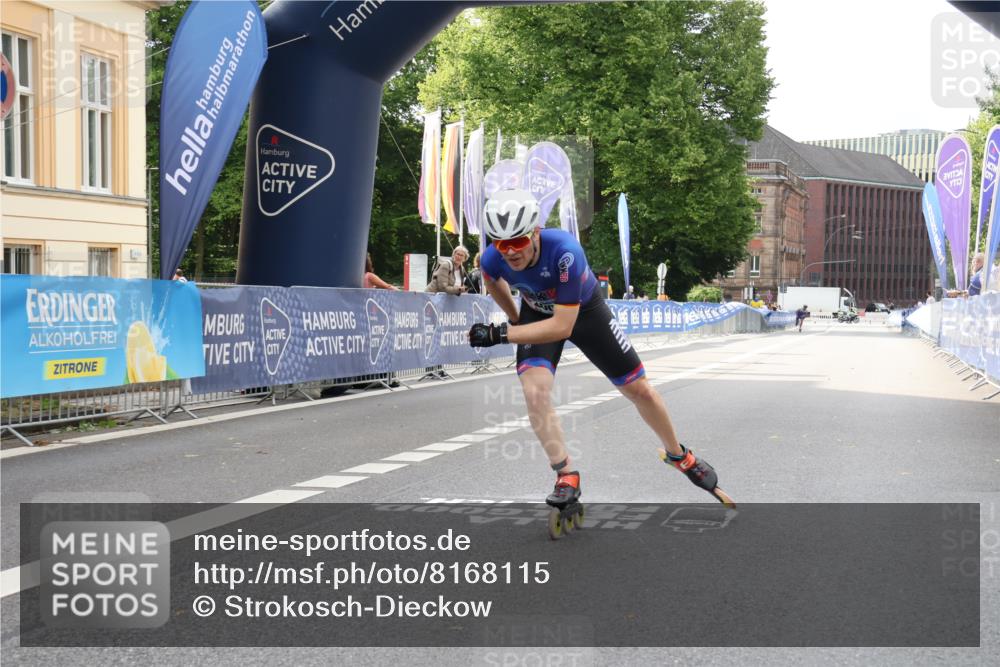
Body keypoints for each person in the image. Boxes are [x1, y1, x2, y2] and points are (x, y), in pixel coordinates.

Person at [467, 189, 734, 510]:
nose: (510, 252)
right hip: (537, 313)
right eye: (500, 243)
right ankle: (566, 475)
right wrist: (515, 318)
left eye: (518, 242)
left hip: (584, 313)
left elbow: (562, 327)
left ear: (535, 232)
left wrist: (502, 333)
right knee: (534, 392)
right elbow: (491, 276)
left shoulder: (565, 251)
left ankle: (681, 456)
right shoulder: (492, 256)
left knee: (641, 390)